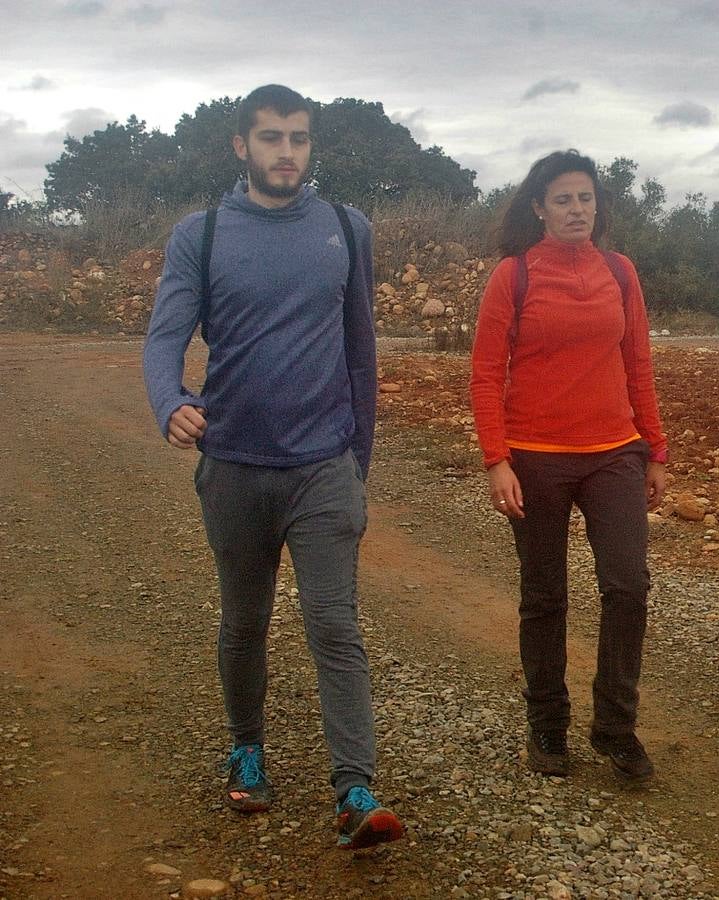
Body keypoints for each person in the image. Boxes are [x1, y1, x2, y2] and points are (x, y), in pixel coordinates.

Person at [142, 84, 403, 849]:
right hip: (234, 466)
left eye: (298, 138)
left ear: (310, 145)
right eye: (270, 138)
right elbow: (164, 340)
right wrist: (170, 403)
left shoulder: (346, 231)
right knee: (245, 620)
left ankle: (355, 787)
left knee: (334, 624)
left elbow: (362, 352)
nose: (286, 151)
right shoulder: (204, 234)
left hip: (323, 465)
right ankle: (247, 748)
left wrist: (359, 461)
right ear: (241, 146)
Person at [469, 150, 669, 785]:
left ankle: (614, 727)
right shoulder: (514, 275)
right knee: (545, 596)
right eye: (563, 199)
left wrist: (655, 449)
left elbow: (638, 362)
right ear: (539, 207)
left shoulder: (620, 271)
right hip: (536, 458)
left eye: (585, 198)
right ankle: (547, 726)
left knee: (628, 585)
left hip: (615, 451)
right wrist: (496, 459)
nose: (577, 209)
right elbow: (483, 374)